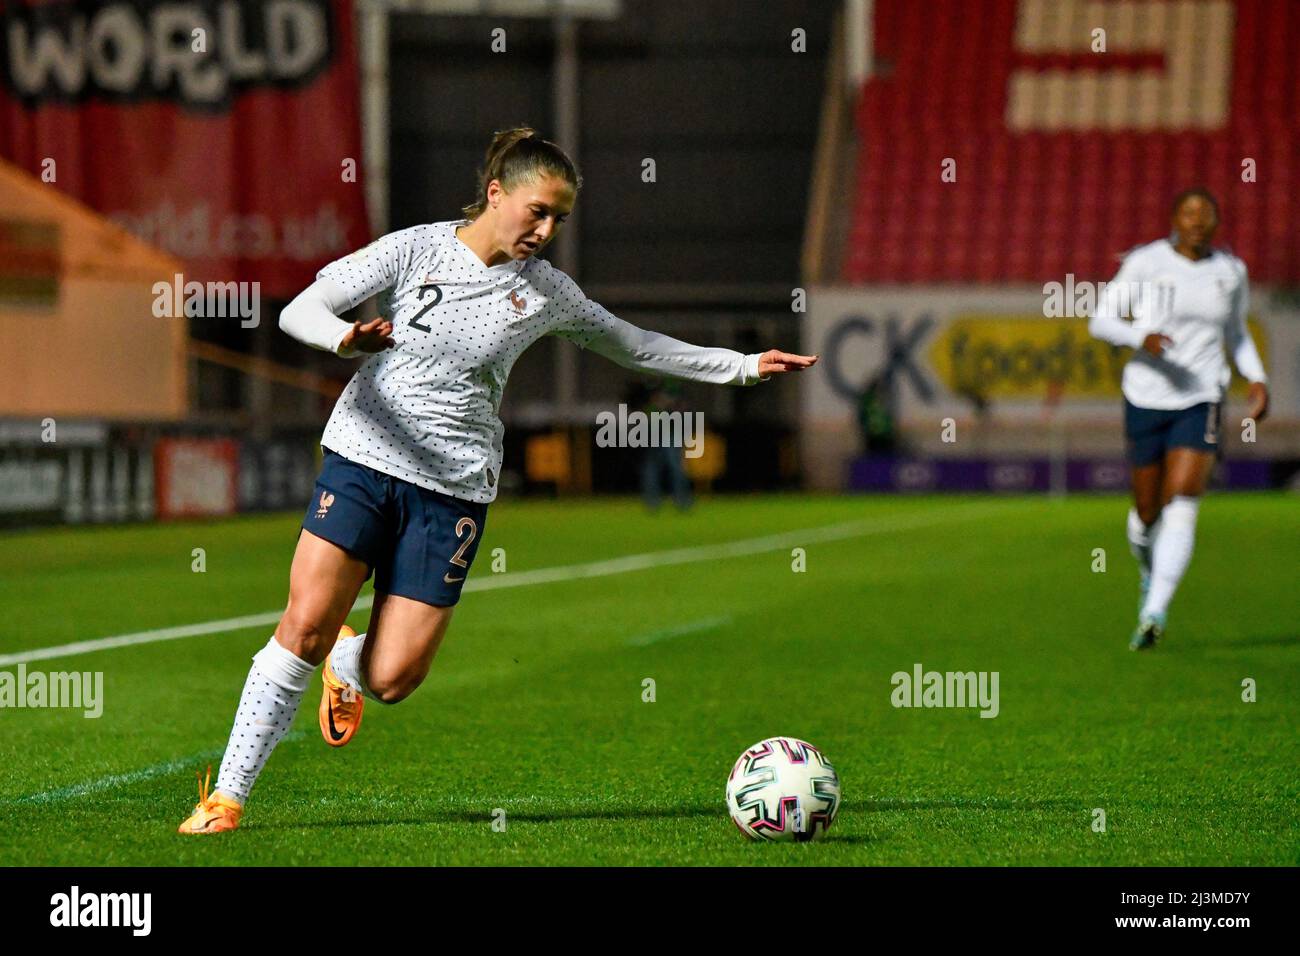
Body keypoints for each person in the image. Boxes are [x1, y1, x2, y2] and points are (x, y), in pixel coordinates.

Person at [178, 126, 818, 833]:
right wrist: (344, 339)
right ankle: (227, 797)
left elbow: (634, 345)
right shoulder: (414, 247)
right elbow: (305, 305)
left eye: (559, 219)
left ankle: (351, 656)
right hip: (363, 456)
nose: (545, 230)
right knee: (300, 627)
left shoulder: (547, 293)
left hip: (453, 487)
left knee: (394, 679)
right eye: (537, 210)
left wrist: (743, 365)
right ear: (495, 194)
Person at [1088, 187, 1268, 651]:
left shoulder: (1230, 272)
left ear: (1216, 223)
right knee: (1147, 513)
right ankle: (1150, 574)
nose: (1197, 221)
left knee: (1183, 499)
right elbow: (1100, 319)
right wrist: (1138, 336)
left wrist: (1256, 377)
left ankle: (1154, 612)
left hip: (1202, 395)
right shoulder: (1147, 262)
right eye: (1188, 212)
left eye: (1206, 214)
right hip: (1146, 395)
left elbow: (1236, 331)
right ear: (1173, 218)